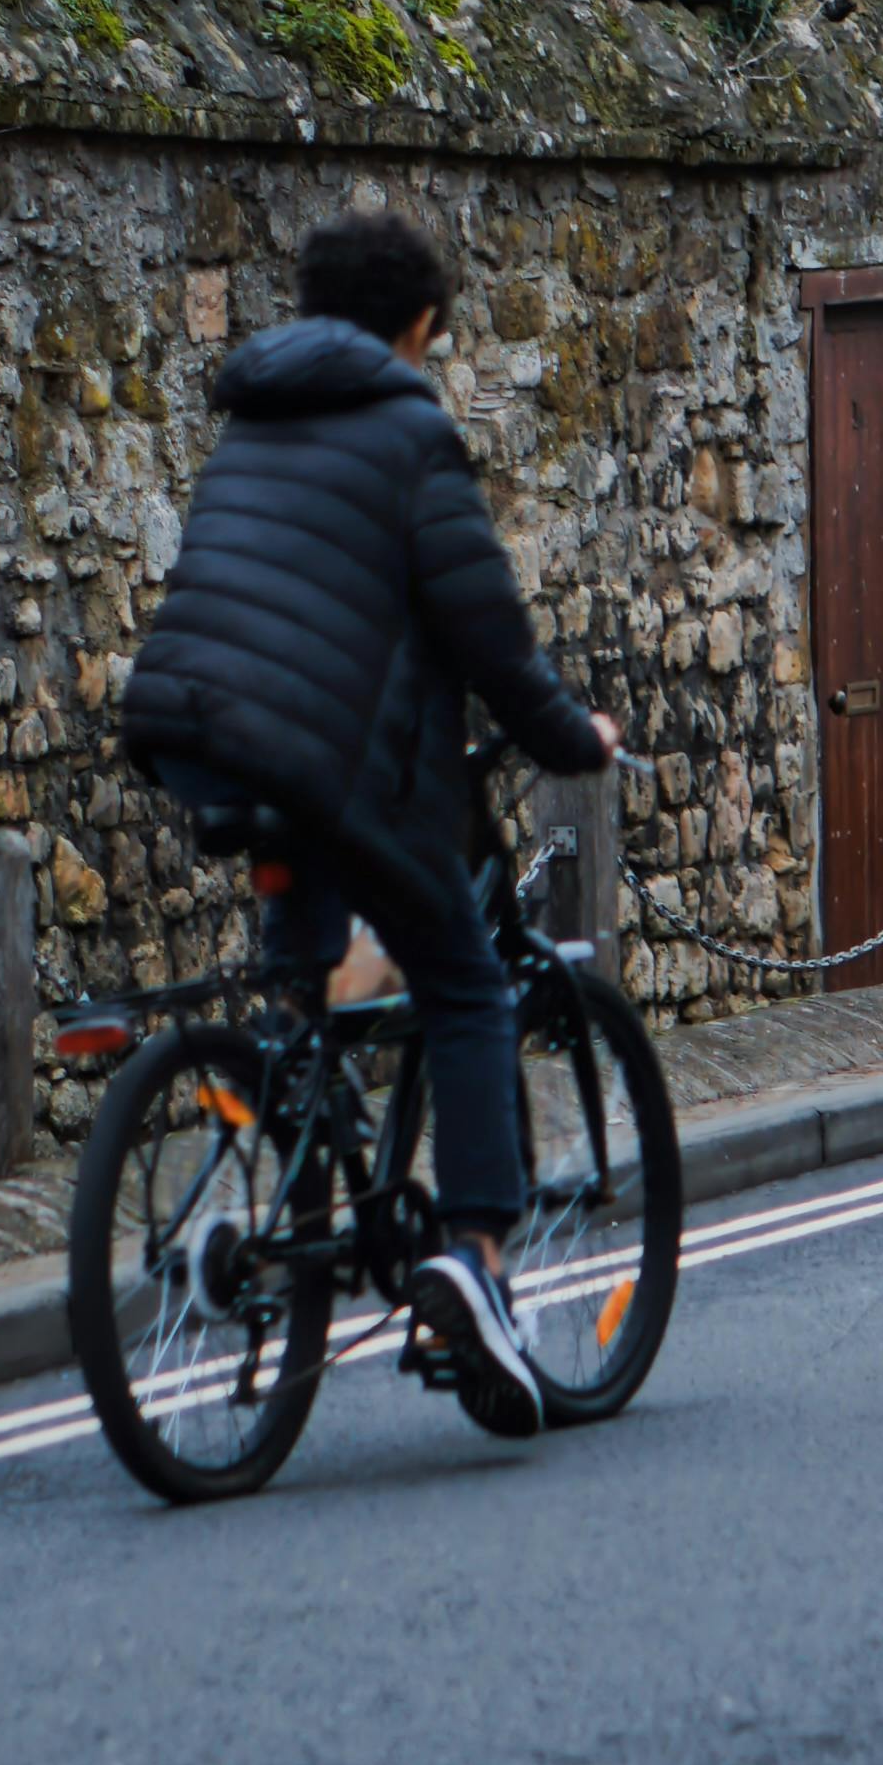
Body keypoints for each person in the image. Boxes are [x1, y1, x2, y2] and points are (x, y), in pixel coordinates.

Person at [118, 208, 619, 1442]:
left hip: (197, 733)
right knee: (465, 976)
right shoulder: (410, 429)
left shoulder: (249, 418)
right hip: (330, 755)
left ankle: (279, 1202)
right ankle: (477, 1261)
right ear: (417, 328)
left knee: (307, 982)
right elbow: (487, 634)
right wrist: (574, 738)